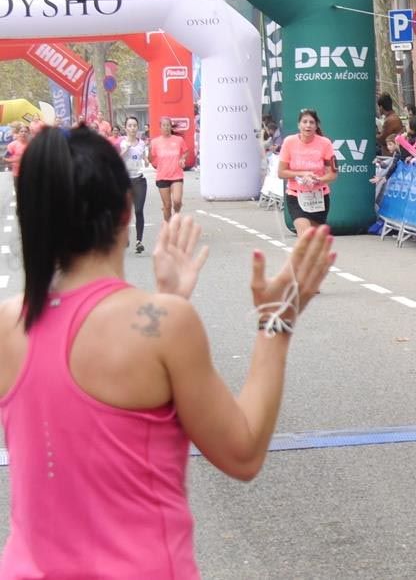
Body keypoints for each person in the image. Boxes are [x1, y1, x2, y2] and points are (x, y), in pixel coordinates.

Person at [0, 125, 335, 575]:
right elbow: (242, 452)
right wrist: (278, 320)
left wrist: (168, 302)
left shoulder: (8, 324)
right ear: (125, 209)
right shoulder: (162, 327)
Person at [277, 109, 337, 236]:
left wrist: (317, 180)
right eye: (304, 122)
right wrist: (302, 174)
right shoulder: (289, 142)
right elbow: (281, 172)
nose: (308, 125)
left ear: (316, 126)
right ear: (299, 125)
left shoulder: (325, 143)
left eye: (311, 122)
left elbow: (333, 174)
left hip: (319, 197)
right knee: (304, 236)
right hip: (296, 195)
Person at [118, 116, 149, 254]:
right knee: (124, 212)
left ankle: (139, 241)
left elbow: (146, 160)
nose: (132, 128)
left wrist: (147, 160)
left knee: (138, 210)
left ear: (137, 127)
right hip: (124, 180)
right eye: (130, 126)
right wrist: (126, 150)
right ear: (125, 128)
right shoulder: (121, 142)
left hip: (139, 180)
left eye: (135, 125)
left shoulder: (142, 144)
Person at [148, 118, 187, 223]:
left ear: (171, 126)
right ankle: (169, 227)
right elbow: (151, 160)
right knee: (167, 206)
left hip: (177, 176)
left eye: (168, 125)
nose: (166, 127)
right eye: (164, 125)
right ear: (160, 127)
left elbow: (185, 151)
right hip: (162, 177)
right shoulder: (155, 142)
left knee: (177, 201)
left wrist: (183, 158)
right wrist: (149, 150)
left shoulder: (178, 140)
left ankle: (177, 214)